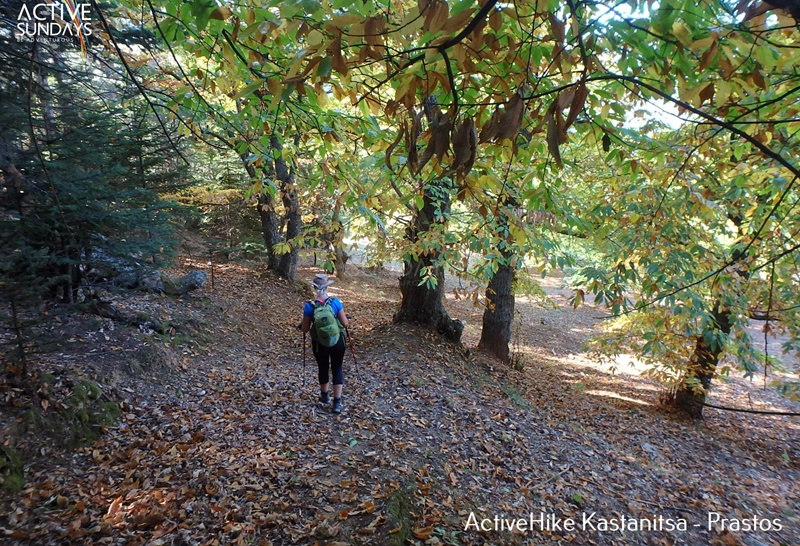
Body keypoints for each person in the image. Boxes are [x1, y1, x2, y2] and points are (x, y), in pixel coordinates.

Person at [301, 273, 349, 414]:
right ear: (327, 287)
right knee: (337, 368)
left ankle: (325, 396)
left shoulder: (309, 306)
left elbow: (305, 329)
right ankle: (337, 403)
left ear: (315, 288)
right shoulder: (335, 302)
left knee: (323, 367)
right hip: (337, 341)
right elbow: (345, 323)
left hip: (319, 343)